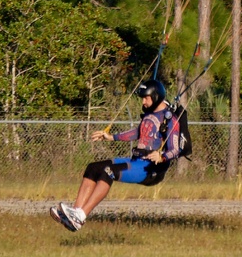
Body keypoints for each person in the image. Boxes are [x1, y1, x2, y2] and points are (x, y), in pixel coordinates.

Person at [50, 79, 180, 232]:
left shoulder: (169, 118)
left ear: (156, 97)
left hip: (151, 169)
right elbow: (138, 132)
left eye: (146, 98)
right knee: (93, 168)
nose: (143, 102)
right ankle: (73, 214)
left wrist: (162, 156)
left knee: (108, 171)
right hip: (138, 160)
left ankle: (81, 216)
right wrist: (110, 137)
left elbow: (176, 149)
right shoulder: (150, 114)